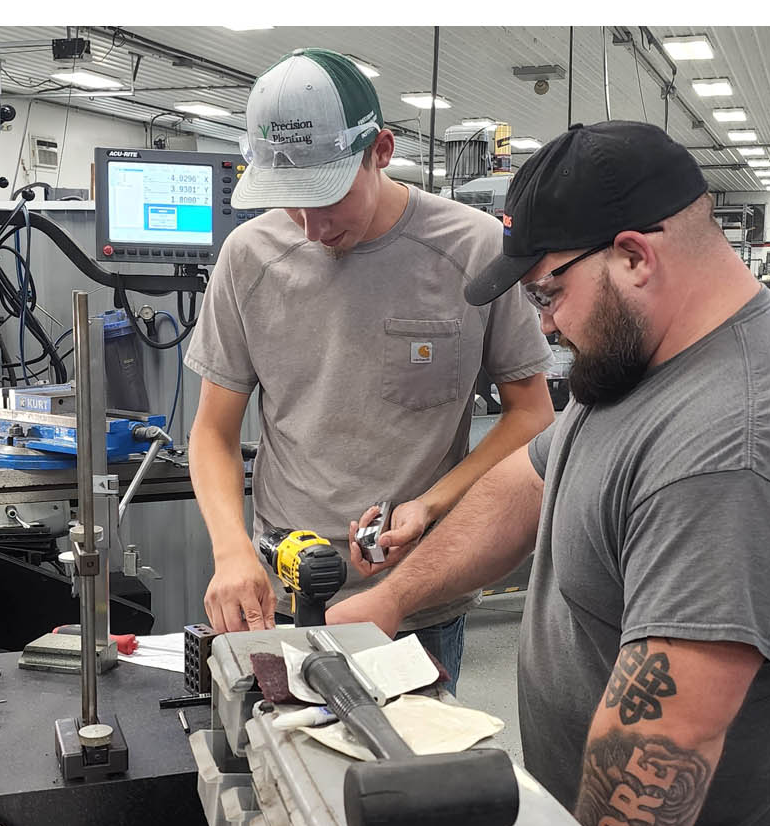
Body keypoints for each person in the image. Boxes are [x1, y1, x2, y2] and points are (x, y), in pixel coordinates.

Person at [327, 120, 770, 826]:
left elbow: (670, 734)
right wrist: (393, 598)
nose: (542, 322)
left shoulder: (738, 441)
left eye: (549, 291)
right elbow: (532, 481)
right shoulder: (639, 363)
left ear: (634, 256)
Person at [184, 48, 552, 682]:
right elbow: (213, 431)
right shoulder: (248, 256)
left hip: (419, 594)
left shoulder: (473, 246)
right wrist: (231, 548)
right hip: (285, 586)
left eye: (329, 199)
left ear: (379, 150)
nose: (312, 228)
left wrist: (433, 506)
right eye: (292, 203)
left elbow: (533, 414)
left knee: (413, 770)